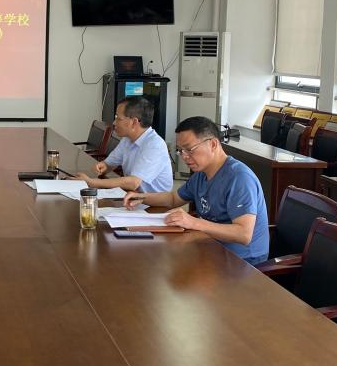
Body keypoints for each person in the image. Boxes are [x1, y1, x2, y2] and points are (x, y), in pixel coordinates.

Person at [123, 116, 269, 264]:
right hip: (211, 247)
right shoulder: (201, 174)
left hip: (243, 261)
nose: (184, 157)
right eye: (180, 151)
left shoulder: (239, 178)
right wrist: (141, 197)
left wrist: (194, 222)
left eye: (189, 150)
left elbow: (244, 234)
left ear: (213, 144)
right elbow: (173, 199)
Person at [75, 97, 172, 193]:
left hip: (153, 201)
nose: (114, 122)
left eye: (118, 118)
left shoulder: (154, 145)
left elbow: (133, 183)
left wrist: (91, 182)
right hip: (133, 195)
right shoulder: (127, 139)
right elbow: (110, 163)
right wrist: (104, 166)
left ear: (134, 122)